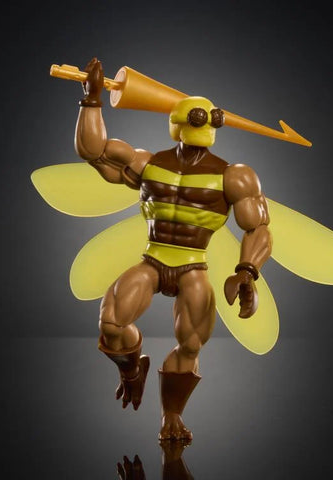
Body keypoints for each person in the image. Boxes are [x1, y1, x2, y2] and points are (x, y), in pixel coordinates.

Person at [74, 57, 272, 441]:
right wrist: (91, 100)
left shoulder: (234, 175)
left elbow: (258, 227)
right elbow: (93, 151)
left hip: (193, 266)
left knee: (191, 344)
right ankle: (132, 370)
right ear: (180, 123)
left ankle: (172, 416)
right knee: (111, 324)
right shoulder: (148, 164)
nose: (203, 125)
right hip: (154, 258)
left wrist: (247, 271)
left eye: (209, 119)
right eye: (197, 118)